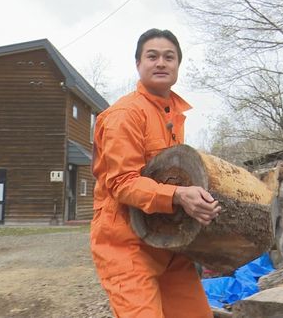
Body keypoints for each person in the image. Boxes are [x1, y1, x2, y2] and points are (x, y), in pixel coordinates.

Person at [90, 28, 221, 318]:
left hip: (168, 242)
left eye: (169, 57)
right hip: (125, 244)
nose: (161, 62)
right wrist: (178, 195)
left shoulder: (172, 114)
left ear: (177, 66)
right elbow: (123, 184)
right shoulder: (124, 114)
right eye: (152, 56)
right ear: (139, 64)